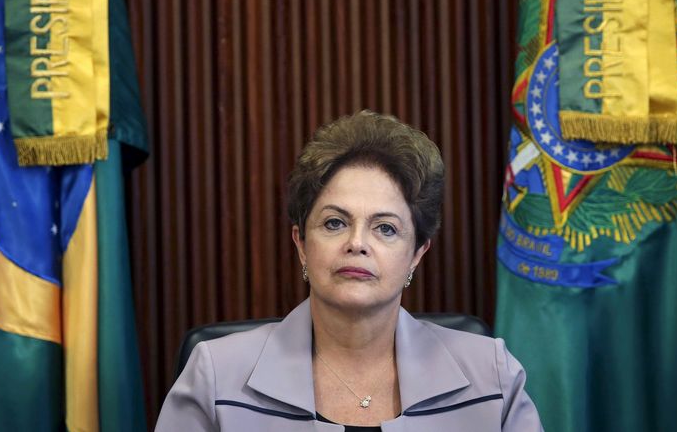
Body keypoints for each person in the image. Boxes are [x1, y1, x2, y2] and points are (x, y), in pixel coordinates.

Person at [156, 110, 543, 431]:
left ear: (417, 254)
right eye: (335, 223)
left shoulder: (493, 378)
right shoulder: (216, 376)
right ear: (301, 244)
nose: (357, 243)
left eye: (385, 228)